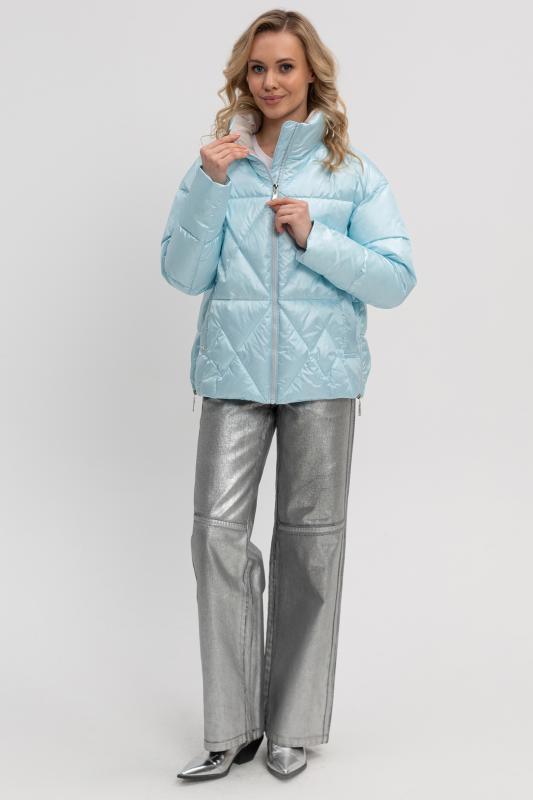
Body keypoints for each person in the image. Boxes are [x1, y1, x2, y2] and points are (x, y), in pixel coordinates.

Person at [160, 9, 417, 781]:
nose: (269, 81)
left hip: (323, 380)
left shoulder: (352, 173)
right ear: (242, 77)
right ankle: (230, 727)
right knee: (215, 536)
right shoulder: (220, 164)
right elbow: (181, 273)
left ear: (311, 75)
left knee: (311, 543)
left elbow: (395, 280)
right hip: (231, 376)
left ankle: (292, 727)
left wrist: (315, 236)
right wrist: (208, 184)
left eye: (284, 67)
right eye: (257, 67)